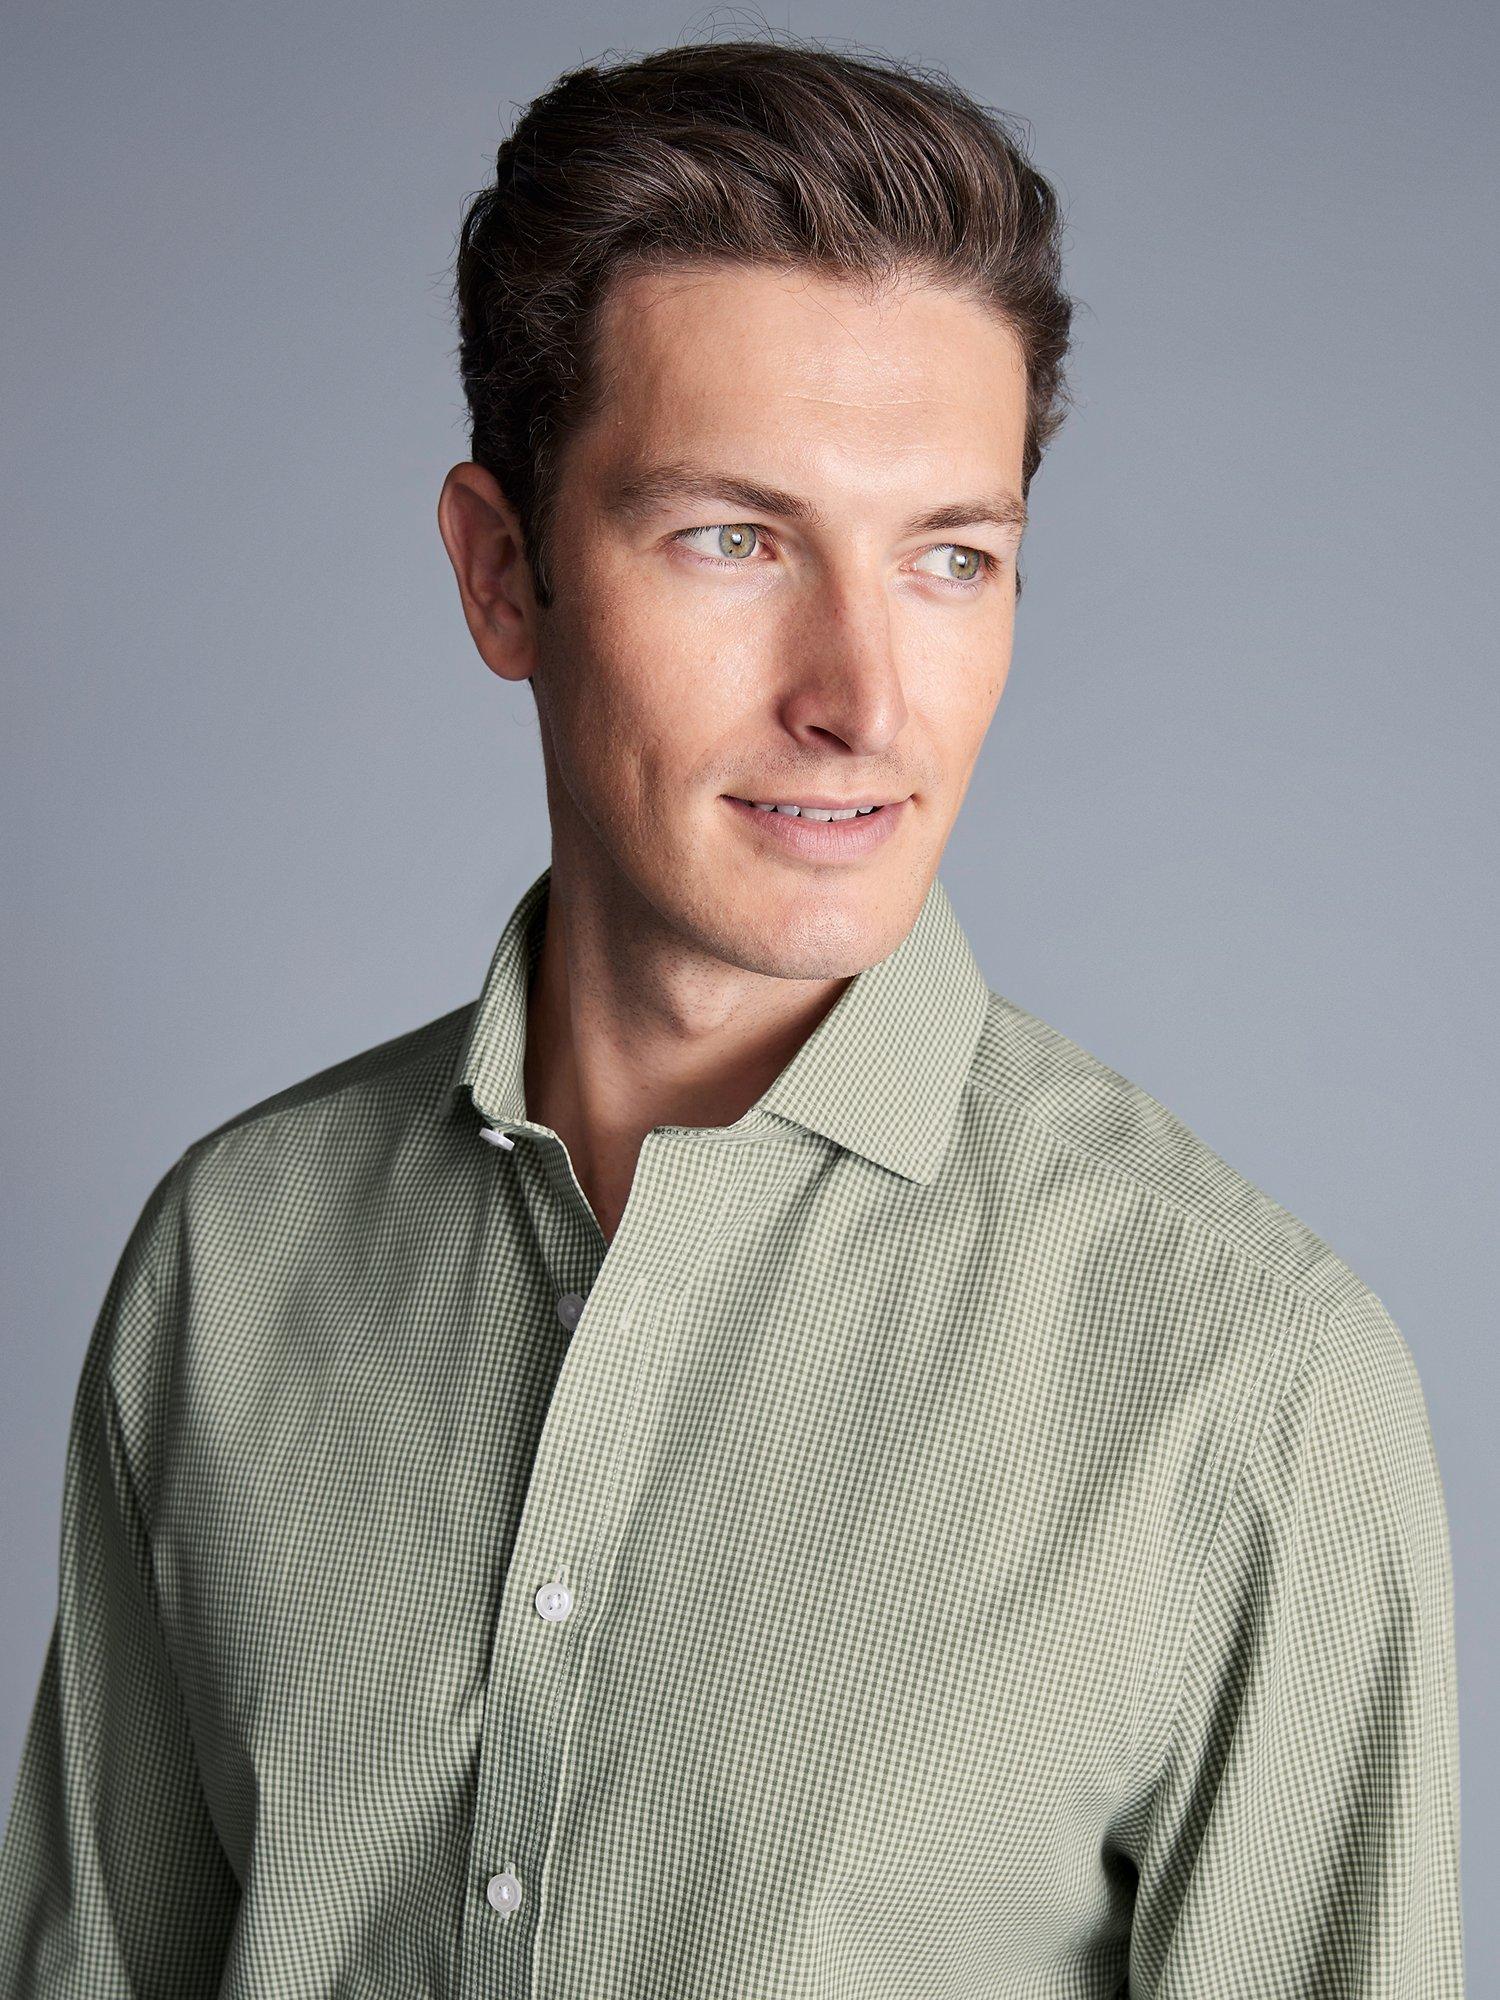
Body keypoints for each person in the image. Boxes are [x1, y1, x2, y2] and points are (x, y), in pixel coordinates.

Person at [0, 36, 1465, 1999]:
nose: (861, 696)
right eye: (734, 539)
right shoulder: (231, 1259)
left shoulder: (1249, 1383)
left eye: (951, 558)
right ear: (503, 573)